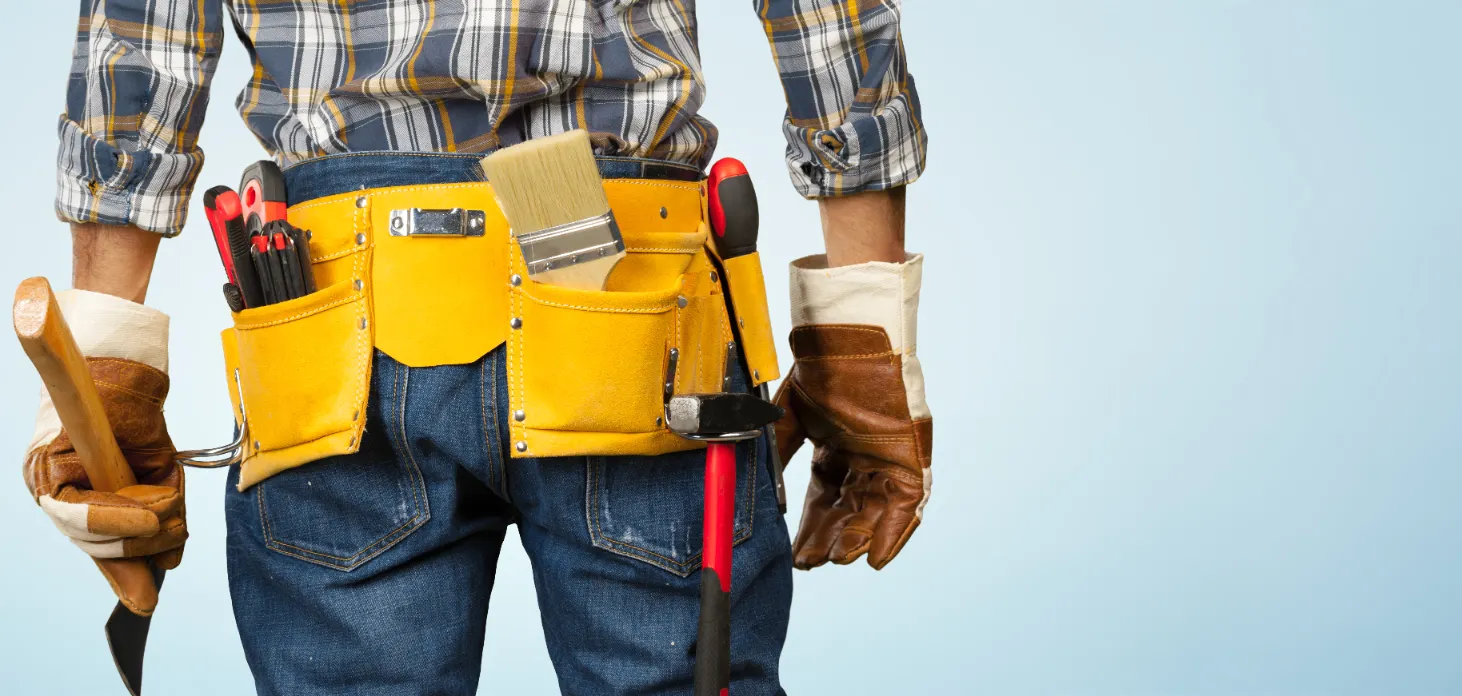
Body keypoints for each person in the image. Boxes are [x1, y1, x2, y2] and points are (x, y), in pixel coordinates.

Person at [23, 1, 932, 694]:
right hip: (643, 303)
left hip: (338, 313)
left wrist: (107, 349)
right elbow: (830, 25)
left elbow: (140, 43)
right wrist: (862, 332)